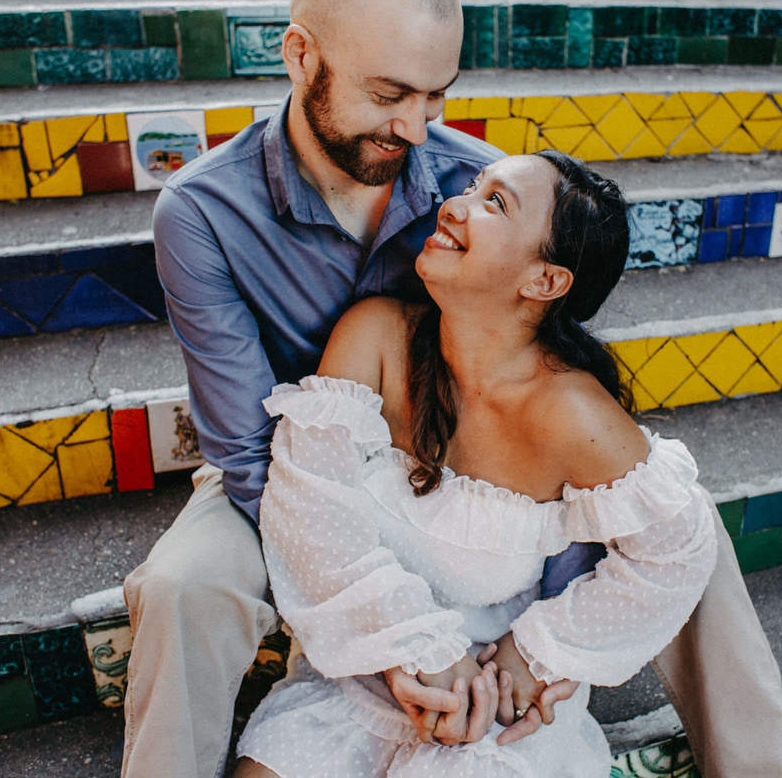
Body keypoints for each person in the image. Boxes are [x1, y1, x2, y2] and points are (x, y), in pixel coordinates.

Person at [123, 0, 782, 775]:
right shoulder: (203, 211)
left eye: (437, 97)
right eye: (389, 94)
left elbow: (543, 376)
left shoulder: (476, 180)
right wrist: (394, 637)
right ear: (300, 55)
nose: (417, 128)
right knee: (183, 584)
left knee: (681, 523)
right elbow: (251, 453)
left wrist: (537, 642)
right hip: (299, 461)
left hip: (471, 467)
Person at [230, 150, 719, 777]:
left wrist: (538, 654)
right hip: (360, 672)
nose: (454, 206)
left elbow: (678, 553)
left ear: (545, 281)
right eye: (472, 188)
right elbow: (311, 516)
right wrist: (411, 655)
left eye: (496, 204)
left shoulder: (574, 414)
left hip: (501, 709)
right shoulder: (375, 336)